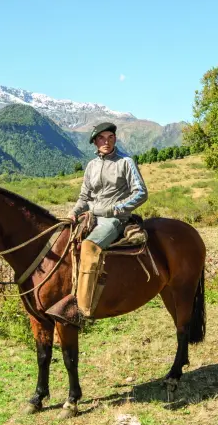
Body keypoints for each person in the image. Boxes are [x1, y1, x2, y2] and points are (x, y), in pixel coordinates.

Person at [46, 122, 148, 327]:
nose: (106, 142)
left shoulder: (125, 162)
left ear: (115, 140)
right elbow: (84, 196)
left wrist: (116, 209)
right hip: (89, 216)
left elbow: (141, 192)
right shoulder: (92, 166)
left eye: (110, 138)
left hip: (114, 220)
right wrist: (74, 212)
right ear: (95, 142)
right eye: (101, 138)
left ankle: (82, 310)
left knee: (89, 247)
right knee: (63, 243)